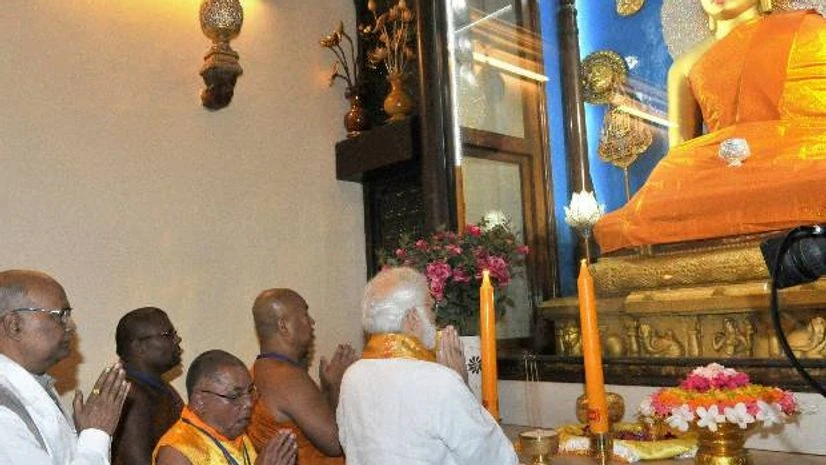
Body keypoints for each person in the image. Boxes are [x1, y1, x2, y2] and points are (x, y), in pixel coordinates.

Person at [594, 0, 826, 252]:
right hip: (724, 170)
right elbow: (681, 154)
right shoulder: (684, 67)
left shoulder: (808, 29)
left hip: (799, 159)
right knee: (649, 206)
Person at [336, 267, 518, 465]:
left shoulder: (352, 376)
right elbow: (496, 458)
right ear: (413, 317)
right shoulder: (439, 381)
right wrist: (462, 385)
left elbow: (348, 443)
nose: (435, 319)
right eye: (431, 308)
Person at [0, 269, 131, 465]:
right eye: (60, 315)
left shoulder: (37, 385)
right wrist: (96, 434)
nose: (71, 325)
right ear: (14, 325)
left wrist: (81, 438)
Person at [247, 289, 356, 465]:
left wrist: (328, 390)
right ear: (283, 326)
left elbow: (312, 427)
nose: (312, 322)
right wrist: (337, 386)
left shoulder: (259, 369)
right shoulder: (287, 378)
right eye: (305, 314)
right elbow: (337, 443)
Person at [153, 349, 296, 465]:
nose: (249, 404)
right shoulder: (177, 453)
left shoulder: (235, 433)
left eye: (250, 392)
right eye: (235, 396)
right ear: (200, 401)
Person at [112, 307, 184, 465]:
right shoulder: (129, 397)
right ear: (139, 346)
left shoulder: (159, 388)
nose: (177, 339)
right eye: (168, 334)